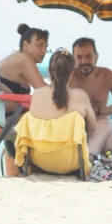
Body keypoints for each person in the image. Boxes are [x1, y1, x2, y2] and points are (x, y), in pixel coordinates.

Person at [14, 48, 96, 177]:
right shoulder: (80, 95)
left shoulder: (37, 94)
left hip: (39, 163)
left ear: (49, 72)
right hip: (71, 164)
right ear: (71, 73)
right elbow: (93, 128)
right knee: (105, 127)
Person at [69, 37, 112, 158]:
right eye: (79, 57)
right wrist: (103, 110)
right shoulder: (70, 79)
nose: (84, 61)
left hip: (100, 132)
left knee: (105, 128)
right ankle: (90, 161)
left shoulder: (107, 75)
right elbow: (69, 110)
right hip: (77, 132)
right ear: (74, 59)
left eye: (88, 56)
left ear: (97, 56)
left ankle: (95, 163)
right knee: (106, 126)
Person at [0, 23, 49, 113]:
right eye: (39, 45)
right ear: (25, 45)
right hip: (10, 120)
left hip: (5, 118)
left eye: (46, 46)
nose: (44, 51)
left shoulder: (14, 57)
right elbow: (44, 91)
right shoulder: (24, 59)